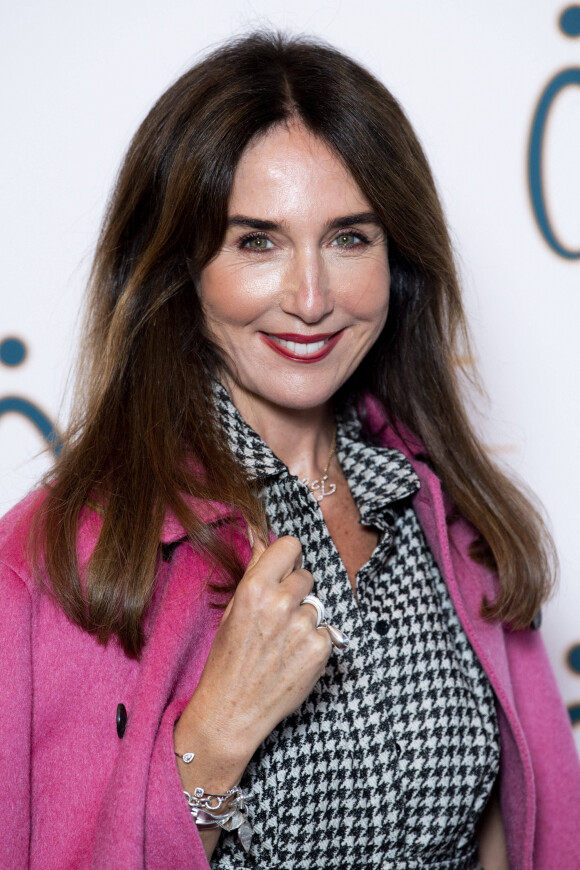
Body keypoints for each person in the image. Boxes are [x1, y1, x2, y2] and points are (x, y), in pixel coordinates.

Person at [0, 31, 578, 870]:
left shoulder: (456, 522)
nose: (312, 299)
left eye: (350, 238)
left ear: (398, 260)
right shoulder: (59, 563)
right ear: (179, 270)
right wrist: (213, 737)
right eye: (256, 242)